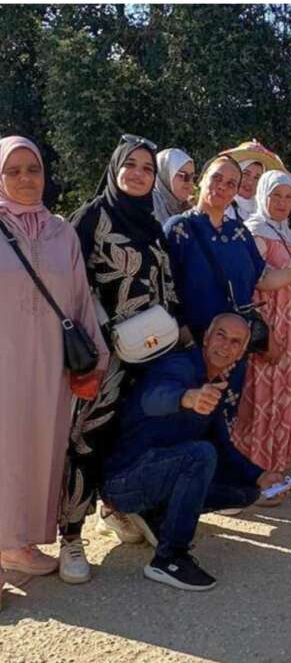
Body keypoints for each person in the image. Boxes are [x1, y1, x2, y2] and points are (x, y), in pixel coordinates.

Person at [102, 314, 291, 591]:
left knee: (246, 493)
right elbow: (152, 397)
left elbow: (224, 449)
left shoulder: (212, 383)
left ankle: (156, 515)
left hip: (156, 475)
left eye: (235, 342)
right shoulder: (179, 366)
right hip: (122, 482)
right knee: (199, 455)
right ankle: (169, 559)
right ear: (206, 337)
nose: (225, 345)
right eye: (220, 335)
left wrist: (261, 476)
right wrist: (187, 398)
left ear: (241, 353)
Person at [65, 134, 183, 583]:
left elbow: (166, 283)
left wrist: (177, 333)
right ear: (115, 167)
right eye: (130, 165)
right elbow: (70, 287)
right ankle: (71, 537)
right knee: (87, 438)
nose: (137, 173)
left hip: (150, 352)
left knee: (129, 435)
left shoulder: (152, 223)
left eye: (147, 168)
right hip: (105, 356)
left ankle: (113, 509)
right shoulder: (91, 218)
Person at [0, 136, 108, 595]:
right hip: (4, 356)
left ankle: (19, 541)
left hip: (50, 364)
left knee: (41, 447)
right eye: (14, 171)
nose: (26, 178)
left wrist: (96, 357)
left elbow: (80, 296)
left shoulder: (61, 231)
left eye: (34, 169)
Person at [166, 156, 291, 432]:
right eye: (216, 178)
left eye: (231, 183)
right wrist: (184, 337)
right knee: (185, 421)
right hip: (190, 347)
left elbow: (263, 279)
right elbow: (164, 288)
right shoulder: (178, 229)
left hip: (234, 347)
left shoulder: (240, 233)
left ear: (236, 192)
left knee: (224, 420)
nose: (221, 187)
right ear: (202, 180)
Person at [232, 171, 291, 483]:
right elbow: (261, 280)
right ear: (262, 196)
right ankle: (256, 468)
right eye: (276, 196)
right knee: (263, 393)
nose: (283, 202)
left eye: (287, 197)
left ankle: (276, 461)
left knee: (282, 391)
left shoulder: (285, 232)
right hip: (270, 324)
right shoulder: (256, 231)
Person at [152, 148, 194, 225]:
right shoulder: (151, 205)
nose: (189, 182)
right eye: (182, 175)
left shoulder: (186, 208)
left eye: (192, 176)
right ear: (165, 175)